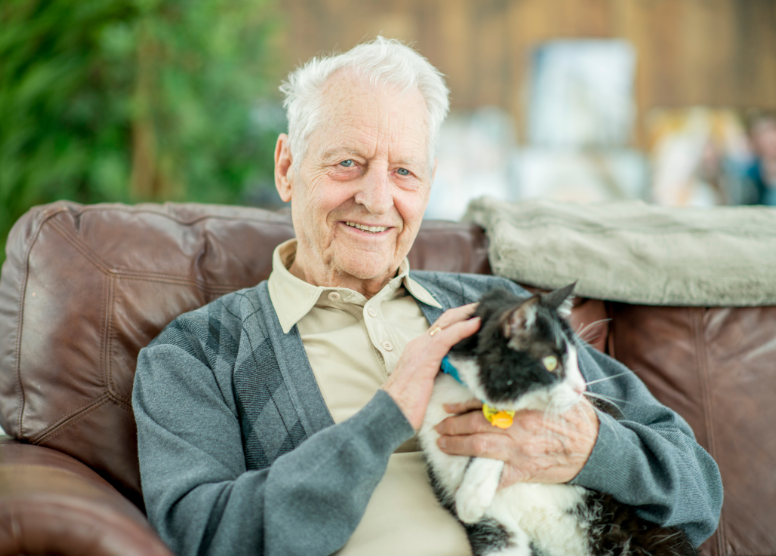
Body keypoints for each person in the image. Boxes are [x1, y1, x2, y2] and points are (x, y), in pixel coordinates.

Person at [132, 37, 722, 556]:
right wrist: (386, 417)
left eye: (405, 173)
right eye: (347, 163)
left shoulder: (496, 308)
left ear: (429, 184)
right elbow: (204, 535)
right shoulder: (200, 352)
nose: (377, 198)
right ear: (287, 168)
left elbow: (698, 487)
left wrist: (587, 448)